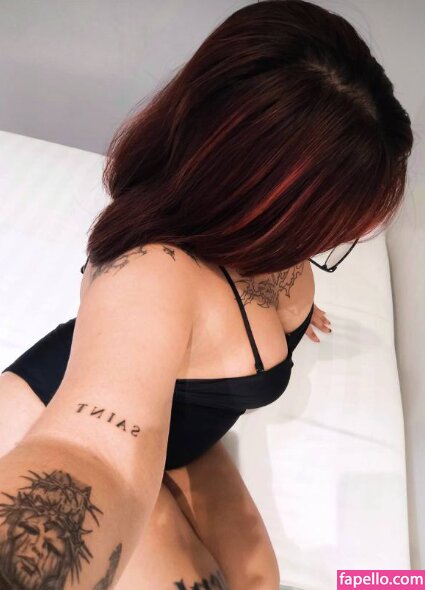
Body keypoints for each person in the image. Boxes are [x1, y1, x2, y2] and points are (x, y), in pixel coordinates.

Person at [0, 0, 413, 588]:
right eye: (328, 220)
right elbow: (96, 458)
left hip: (185, 430)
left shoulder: (275, 243)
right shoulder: (150, 276)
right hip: (69, 397)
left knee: (258, 580)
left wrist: (298, 315)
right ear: (252, 187)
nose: (336, 239)